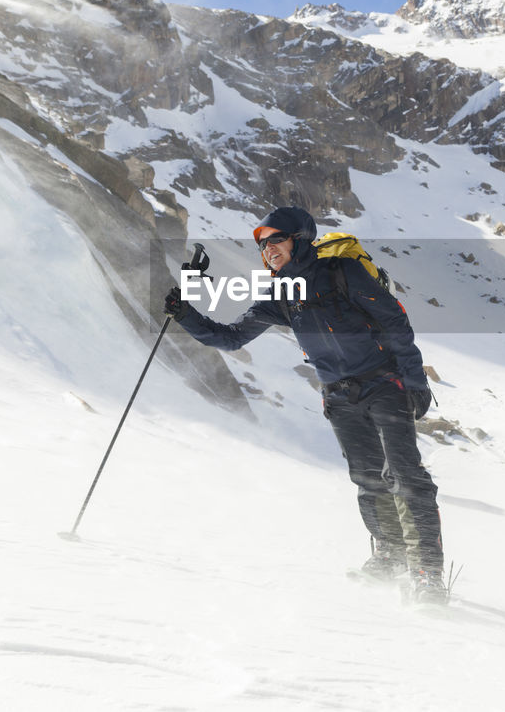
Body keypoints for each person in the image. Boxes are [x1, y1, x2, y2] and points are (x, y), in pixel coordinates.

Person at [163, 206, 446, 603]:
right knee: (367, 477)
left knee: (405, 475)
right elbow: (231, 339)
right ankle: (391, 555)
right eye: (262, 245)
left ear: (299, 238)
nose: (268, 249)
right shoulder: (281, 295)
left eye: (275, 239)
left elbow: (395, 323)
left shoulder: (342, 272)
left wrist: (415, 384)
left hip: (384, 384)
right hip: (338, 395)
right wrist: (185, 315)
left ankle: (427, 574)